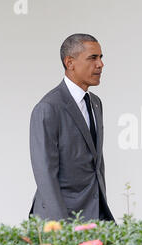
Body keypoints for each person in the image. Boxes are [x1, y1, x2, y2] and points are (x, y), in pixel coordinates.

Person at [28, 33, 115, 223]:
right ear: (70, 63)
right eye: (93, 58)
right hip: (62, 220)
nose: (100, 64)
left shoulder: (96, 103)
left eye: (101, 58)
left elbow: (96, 165)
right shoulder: (48, 108)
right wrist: (62, 228)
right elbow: (45, 173)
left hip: (95, 216)